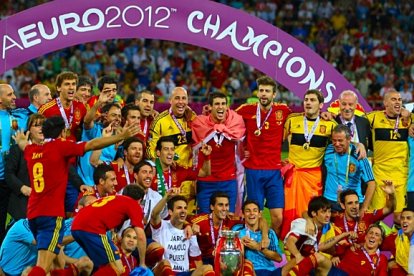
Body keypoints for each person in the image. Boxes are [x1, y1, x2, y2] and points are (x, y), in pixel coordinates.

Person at [13, 115, 140, 275]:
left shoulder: (32, 151)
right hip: (51, 215)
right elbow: (92, 144)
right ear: (63, 132)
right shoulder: (60, 146)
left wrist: (20, 139)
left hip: (33, 214)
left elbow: (24, 145)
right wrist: (121, 136)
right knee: (42, 267)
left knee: (55, 264)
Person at [236, 76, 291, 234]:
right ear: (257, 93)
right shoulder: (246, 110)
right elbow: (227, 117)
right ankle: (258, 246)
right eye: (261, 90)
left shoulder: (284, 111)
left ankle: (270, 243)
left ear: (274, 94)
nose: (264, 94)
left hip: (274, 171)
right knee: (255, 215)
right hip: (253, 170)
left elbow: (301, 121)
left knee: (278, 217)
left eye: (267, 91)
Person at [282, 89, 337, 237]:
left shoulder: (330, 125)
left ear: (321, 105)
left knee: (313, 211)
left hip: (313, 177)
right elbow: (275, 140)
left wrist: (359, 145)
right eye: (306, 100)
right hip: (293, 176)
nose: (308, 102)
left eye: (312, 100)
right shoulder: (292, 120)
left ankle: (312, 243)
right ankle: (289, 244)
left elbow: (342, 143)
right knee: (289, 213)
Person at [71, 185, 147, 274]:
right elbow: (141, 236)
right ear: (140, 200)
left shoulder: (114, 198)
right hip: (93, 229)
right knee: (117, 268)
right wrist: (142, 263)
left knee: (92, 265)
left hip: (75, 226)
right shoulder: (134, 204)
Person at [192, 92, 245, 214]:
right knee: (204, 220)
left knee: (228, 221)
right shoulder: (199, 124)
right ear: (210, 107)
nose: (220, 107)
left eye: (223, 104)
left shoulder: (235, 124)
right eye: (216, 104)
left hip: (228, 180)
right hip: (205, 182)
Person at [366, 90, 412, 225]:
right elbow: (353, 118)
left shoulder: (408, 119)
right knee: (377, 217)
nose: (398, 102)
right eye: (393, 99)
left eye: (399, 99)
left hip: (401, 176)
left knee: (399, 219)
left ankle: (400, 245)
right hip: (380, 176)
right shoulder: (374, 118)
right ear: (385, 103)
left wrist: (410, 116)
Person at [147, 87, 197, 212]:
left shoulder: (192, 118)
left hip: (189, 176)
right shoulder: (160, 121)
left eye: (184, 98)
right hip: (169, 177)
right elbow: (150, 150)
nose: (181, 102)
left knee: (187, 217)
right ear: (170, 100)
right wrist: (165, 163)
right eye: (177, 98)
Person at [235, 200, 315, 276]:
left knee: (300, 260)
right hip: (250, 270)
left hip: (271, 271)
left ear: (259, 214)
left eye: (255, 210)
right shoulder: (238, 231)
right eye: (248, 211)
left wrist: (258, 247)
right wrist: (240, 243)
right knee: (247, 264)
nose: (252, 213)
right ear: (243, 214)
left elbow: (279, 258)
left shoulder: (270, 233)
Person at [150, 190, 214, 276]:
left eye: (185, 208)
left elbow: (197, 259)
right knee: (165, 264)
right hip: (163, 271)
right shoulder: (161, 226)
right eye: (179, 208)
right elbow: (154, 214)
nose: (183, 210)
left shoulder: (190, 231)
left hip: (184, 273)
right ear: (170, 212)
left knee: (208, 268)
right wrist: (166, 197)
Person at [284, 196, 350, 275]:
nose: (328, 215)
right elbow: (289, 242)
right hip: (296, 265)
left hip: (309, 263)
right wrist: (298, 257)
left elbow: (320, 247)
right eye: (323, 212)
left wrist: (343, 235)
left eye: (329, 211)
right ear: (314, 213)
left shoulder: (322, 226)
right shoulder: (303, 225)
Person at [323, 124, 375, 212]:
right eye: (334, 140)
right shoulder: (329, 149)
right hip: (330, 200)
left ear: (349, 139)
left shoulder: (359, 154)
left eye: (340, 140)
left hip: (352, 202)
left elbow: (371, 183)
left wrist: (364, 208)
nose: (337, 144)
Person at [0, 83, 27, 244]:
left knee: (18, 220)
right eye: (10, 95)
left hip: (13, 180)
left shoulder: (18, 118)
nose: (15, 97)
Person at [38, 71, 87, 142]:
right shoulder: (46, 109)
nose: (71, 87)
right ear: (58, 88)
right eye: (67, 84)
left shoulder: (80, 106)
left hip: (74, 148)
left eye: (73, 84)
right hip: (54, 149)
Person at [381, 208, 414, 275]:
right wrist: (389, 261)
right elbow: (375, 245)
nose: (404, 220)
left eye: (408, 218)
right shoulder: (394, 238)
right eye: (402, 218)